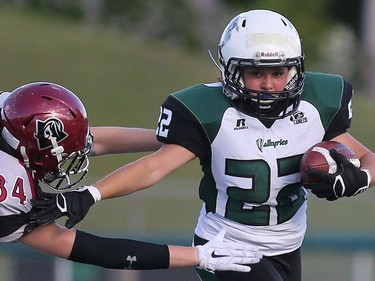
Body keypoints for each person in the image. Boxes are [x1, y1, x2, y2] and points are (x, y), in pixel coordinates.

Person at [29, 9, 375, 281]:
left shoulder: (318, 102)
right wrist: (92, 194)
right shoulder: (208, 111)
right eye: (256, 73)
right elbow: (154, 166)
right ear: (229, 71)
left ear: (295, 71)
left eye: (278, 72)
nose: (268, 84)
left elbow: (367, 158)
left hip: (288, 244)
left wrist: (362, 178)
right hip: (224, 243)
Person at [0, 82, 262, 273]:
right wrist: (197, 255)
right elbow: (85, 247)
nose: (70, 160)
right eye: (64, 155)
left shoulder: (9, 114)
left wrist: (181, 140)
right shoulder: (9, 191)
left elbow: (95, 141)